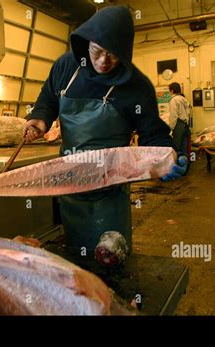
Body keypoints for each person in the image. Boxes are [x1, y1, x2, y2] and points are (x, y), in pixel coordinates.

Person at [22, 6, 188, 255]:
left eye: (112, 55)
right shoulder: (66, 67)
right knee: (75, 261)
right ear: (86, 43)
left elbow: (152, 133)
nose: (102, 61)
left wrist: (168, 157)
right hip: (71, 185)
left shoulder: (137, 87)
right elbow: (48, 99)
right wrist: (39, 120)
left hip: (110, 190)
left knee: (110, 257)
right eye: (97, 51)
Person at [168, 82, 191, 161]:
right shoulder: (184, 99)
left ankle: (178, 167)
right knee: (184, 147)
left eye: (169, 91)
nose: (169, 92)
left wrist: (171, 128)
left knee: (177, 147)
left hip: (179, 126)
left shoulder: (174, 100)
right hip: (185, 125)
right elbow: (188, 112)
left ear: (172, 90)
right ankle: (185, 166)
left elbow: (173, 116)